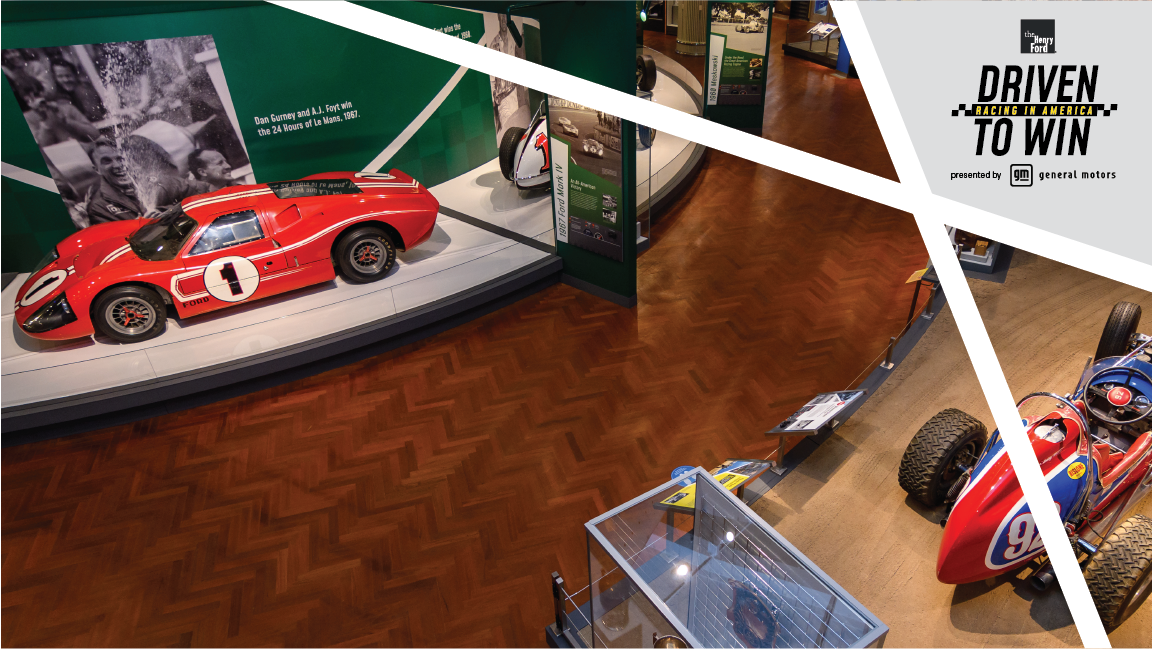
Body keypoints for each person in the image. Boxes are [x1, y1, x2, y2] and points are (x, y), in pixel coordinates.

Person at [86, 137, 146, 224]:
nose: (117, 165)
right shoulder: (98, 208)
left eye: (121, 159)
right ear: (97, 169)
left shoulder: (155, 185)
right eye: (107, 161)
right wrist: (142, 225)